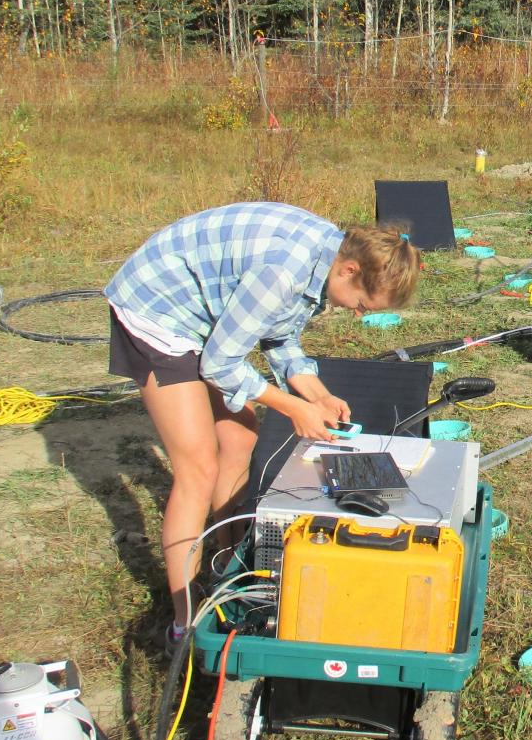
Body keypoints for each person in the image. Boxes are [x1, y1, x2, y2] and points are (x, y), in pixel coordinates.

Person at [105, 202, 422, 650]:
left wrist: (316, 393)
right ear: (350, 270)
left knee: (240, 436)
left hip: (202, 316)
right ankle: (185, 621)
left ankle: (224, 560)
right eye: (361, 304)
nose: (357, 314)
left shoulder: (328, 261)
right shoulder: (283, 273)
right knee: (198, 468)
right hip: (158, 309)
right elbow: (219, 362)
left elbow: (280, 336)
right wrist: (292, 407)